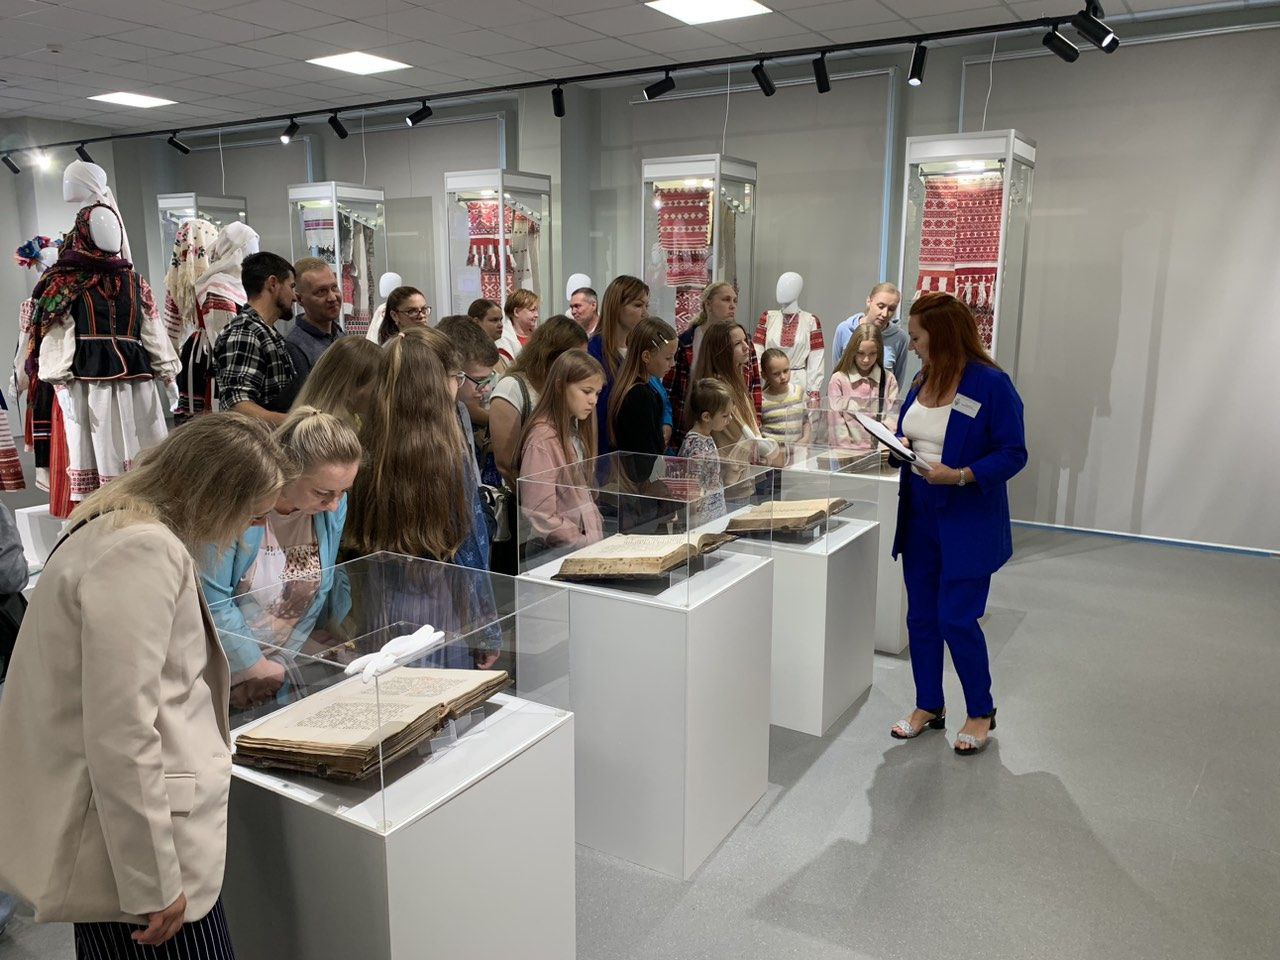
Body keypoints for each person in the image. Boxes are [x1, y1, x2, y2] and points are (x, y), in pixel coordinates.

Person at [0, 412, 290, 955]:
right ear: (215, 497)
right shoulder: (141, 550)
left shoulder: (111, 524)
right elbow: (121, 731)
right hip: (141, 856)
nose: (248, 530)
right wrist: (153, 881)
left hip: (122, 840)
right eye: (251, 515)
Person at [888, 292, 1027, 756]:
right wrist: (899, 445)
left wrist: (963, 475)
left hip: (967, 515)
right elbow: (914, 431)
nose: (912, 347)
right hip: (919, 511)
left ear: (943, 336)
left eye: (917, 338)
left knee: (956, 618)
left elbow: (1013, 453)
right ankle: (929, 704)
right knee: (921, 617)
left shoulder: (991, 384)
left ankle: (980, 711)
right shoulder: (924, 376)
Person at [201, 408, 362, 711]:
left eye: (343, 492)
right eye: (323, 492)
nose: (333, 505)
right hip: (219, 672)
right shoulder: (236, 506)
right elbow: (213, 602)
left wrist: (283, 662)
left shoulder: (331, 509)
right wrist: (256, 667)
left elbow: (320, 586)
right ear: (288, 470)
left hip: (279, 672)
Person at [345, 327, 489, 571]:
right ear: (437, 384)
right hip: (441, 580)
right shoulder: (446, 454)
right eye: (457, 376)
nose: (458, 384)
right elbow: (469, 546)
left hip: (384, 578)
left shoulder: (369, 443)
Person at [518, 350, 606, 549]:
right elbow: (540, 513)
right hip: (556, 553)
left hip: (582, 549)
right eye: (586, 391)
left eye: (597, 393)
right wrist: (580, 541)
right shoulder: (542, 439)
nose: (593, 400)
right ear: (559, 386)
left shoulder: (573, 430)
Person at [490, 315, 588, 489]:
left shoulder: (567, 386)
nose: (580, 365)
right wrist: (539, 498)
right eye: (575, 357)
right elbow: (506, 465)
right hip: (534, 497)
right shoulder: (512, 388)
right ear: (551, 355)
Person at [665, 281, 763, 448]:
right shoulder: (686, 341)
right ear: (708, 304)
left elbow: (753, 386)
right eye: (726, 299)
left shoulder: (744, 341)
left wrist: (756, 424)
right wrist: (670, 426)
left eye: (735, 301)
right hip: (695, 423)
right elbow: (672, 390)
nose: (732, 306)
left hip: (735, 427)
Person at [213, 251, 300, 425]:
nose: (295, 297)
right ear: (273, 283)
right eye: (291, 286)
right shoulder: (245, 333)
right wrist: (298, 422)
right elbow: (238, 408)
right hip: (260, 440)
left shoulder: (262, 332)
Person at [691, 321, 785, 469]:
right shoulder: (719, 390)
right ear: (721, 350)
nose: (746, 347)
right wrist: (773, 451)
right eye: (737, 343)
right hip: (729, 470)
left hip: (740, 468)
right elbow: (745, 436)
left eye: (745, 340)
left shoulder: (735, 381)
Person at [587, 275, 650, 456]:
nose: (645, 313)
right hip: (607, 451)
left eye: (646, 306)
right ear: (616, 306)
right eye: (637, 305)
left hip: (637, 449)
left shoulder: (638, 350)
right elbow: (594, 412)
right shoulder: (593, 352)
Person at [607, 316, 677, 458]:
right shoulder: (640, 395)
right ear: (646, 356)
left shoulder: (637, 389)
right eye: (668, 358)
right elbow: (645, 453)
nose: (673, 363)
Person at [828, 322, 900, 450]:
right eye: (860, 353)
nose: (866, 359)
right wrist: (847, 452)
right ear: (852, 351)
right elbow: (836, 423)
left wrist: (882, 450)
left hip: (880, 453)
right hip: (847, 454)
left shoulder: (889, 379)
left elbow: (892, 419)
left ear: (879, 352)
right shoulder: (839, 379)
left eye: (872, 353)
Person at [291, 335, 382, 430]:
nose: (381, 393)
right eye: (378, 385)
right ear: (350, 388)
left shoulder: (348, 419)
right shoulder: (327, 432)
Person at [676, 377, 733, 527]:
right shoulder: (695, 445)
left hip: (714, 514)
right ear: (706, 416)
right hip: (702, 520)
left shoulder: (706, 437)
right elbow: (691, 488)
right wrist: (693, 524)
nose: (730, 419)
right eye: (725, 415)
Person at [832, 282, 908, 388]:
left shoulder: (899, 338)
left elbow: (897, 381)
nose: (885, 314)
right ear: (869, 301)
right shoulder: (844, 329)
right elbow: (837, 370)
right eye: (881, 306)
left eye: (891, 309)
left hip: (881, 397)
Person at [437, 314, 499, 435]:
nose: (486, 388)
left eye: (488, 379)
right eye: (479, 380)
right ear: (452, 373)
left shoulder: (462, 409)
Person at [284, 257, 344, 380]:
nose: (332, 297)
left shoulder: (339, 334)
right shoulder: (294, 348)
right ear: (299, 299)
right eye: (321, 291)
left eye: (334, 287)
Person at [759, 347, 810, 445]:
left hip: (797, 451)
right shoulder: (761, 400)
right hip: (775, 453)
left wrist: (805, 439)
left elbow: (805, 421)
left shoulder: (798, 392)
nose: (783, 377)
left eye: (786, 371)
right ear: (765, 375)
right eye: (776, 374)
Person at [496, 288, 539, 367]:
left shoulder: (540, 336)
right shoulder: (502, 341)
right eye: (532, 310)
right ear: (516, 312)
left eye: (537, 310)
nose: (537, 315)